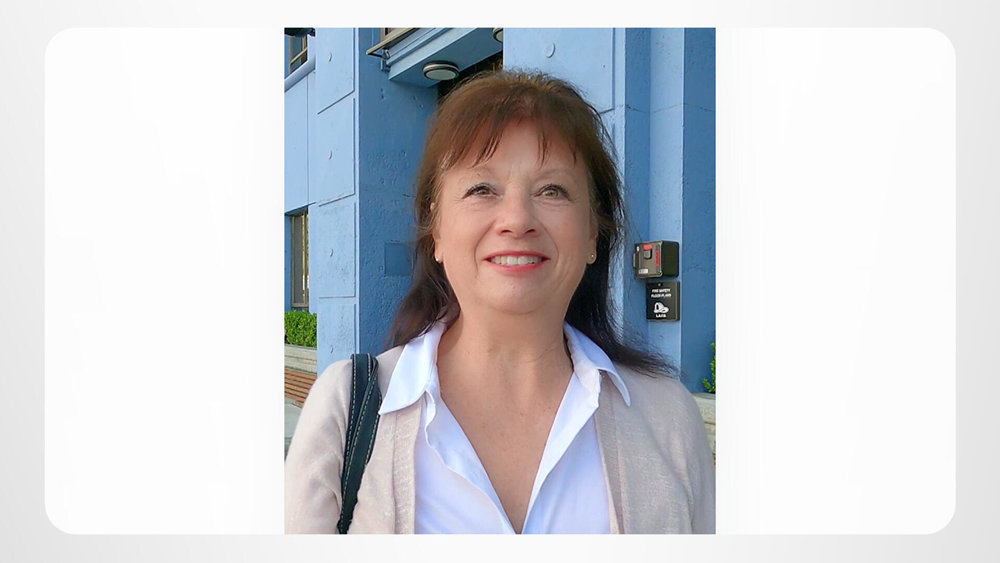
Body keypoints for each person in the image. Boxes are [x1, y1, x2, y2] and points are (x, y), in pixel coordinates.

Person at [285, 69, 715, 534]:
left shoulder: (668, 420)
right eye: (481, 189)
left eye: (552, 190)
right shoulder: (346, 409)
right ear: (436, 230)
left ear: (593, 233)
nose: (517, 219)